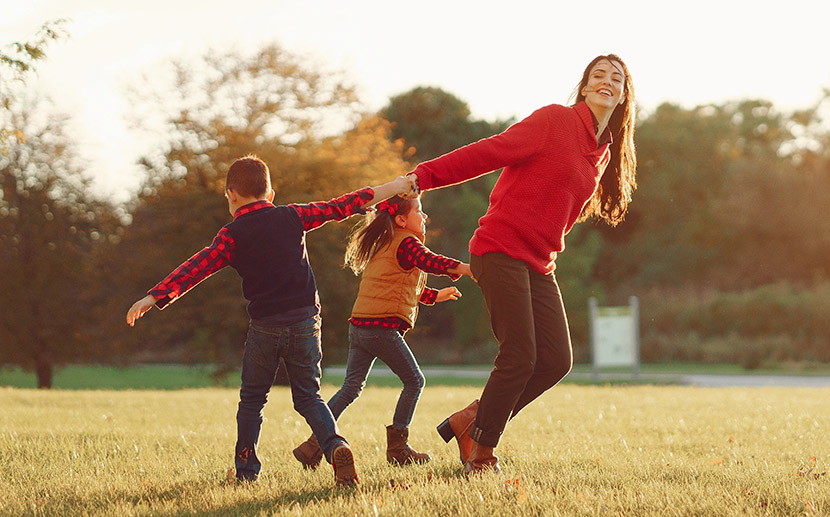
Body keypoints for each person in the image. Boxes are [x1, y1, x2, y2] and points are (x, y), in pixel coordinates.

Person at [408, 54, 637, 474]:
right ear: (584, 87)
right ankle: (480, 451)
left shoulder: (603, 151)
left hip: (539, 260)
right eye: (598, 75)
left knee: (556, 360)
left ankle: (472, 420)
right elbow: (488, 152)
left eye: (616, 78)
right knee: (519, 355)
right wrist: (423, 177)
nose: (607, 81)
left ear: (624, 94)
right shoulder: (554, 120)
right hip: (498, 248)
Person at [125, 155, 417, 485]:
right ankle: (335, 445)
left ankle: (246, 471)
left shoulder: (231, 235)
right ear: (271, 194)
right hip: (306, 323)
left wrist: (155, 296)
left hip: (265, 327)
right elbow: (343, 205)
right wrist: (395, 186)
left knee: (252, 400)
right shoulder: (292, 215)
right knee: (309, 397)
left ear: (231, 195)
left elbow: (198, 267)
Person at [292, 194, 472, 468]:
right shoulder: (406, 242)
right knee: (415, 381)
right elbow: (430, 261)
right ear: (401, 219)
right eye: (419, 212)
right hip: (380, 329)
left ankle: (313, 446)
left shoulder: (386, 243)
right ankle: (398, 449)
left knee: (350, 388)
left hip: (360, 326)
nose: (424, 217)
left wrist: (435, 296)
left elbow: (401, 286)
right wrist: (469, 269)